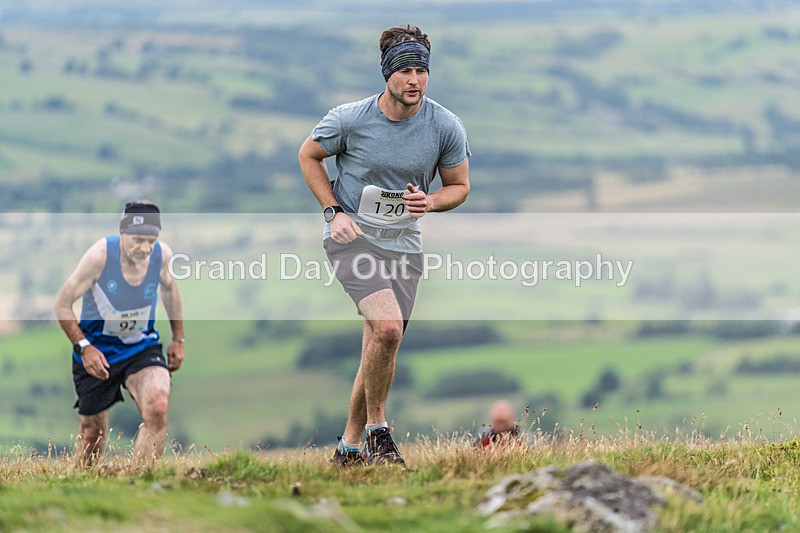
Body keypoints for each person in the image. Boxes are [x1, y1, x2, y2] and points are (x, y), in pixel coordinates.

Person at [298, 24, 470, 467]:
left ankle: (348, 450)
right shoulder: (350, 119)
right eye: (405, 71)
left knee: (380, 345)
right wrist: (333, 212)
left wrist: (430, 201)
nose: (414, 79)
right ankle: (379, 431)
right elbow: (309, 156)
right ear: (387, 75)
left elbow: (460, 186)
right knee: (389, 329)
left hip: (404, 247)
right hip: (352, 238)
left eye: (421, 70)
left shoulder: (445, 125)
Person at [54, 200, 185, 466]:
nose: (145, 248)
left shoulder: (162, 256)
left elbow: (170, 289)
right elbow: (62, 304)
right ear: (122, 233)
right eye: (138, 240)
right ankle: (80, 488)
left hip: (141, 346)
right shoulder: (100, 256)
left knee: (158, 408)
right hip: (97, 351)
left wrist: (178, 338)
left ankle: (139, 484)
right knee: (92, 434)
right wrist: (83, 347)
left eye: (151, 240)